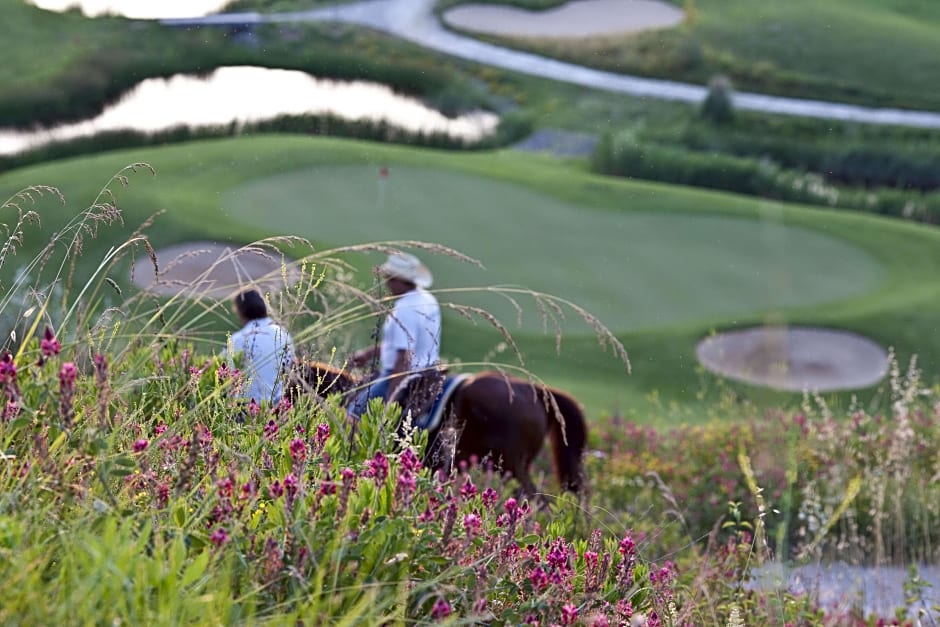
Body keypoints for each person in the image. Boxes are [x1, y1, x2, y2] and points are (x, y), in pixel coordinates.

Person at [348, 252, 442, 418]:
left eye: (389, 279)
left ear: (399, 281)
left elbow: (404, 356)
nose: (387, 284)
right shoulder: (428, 299)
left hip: (404, 376)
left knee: (352, 414)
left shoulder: (404, 310)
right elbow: (408, 342)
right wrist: (369, 354)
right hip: (429, 371)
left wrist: (391, 399)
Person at [224, 288, 295, 405]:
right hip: (276, 407)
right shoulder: (283, 334)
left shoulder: (238, 339)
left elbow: (224, 373)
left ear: (241, 312)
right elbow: (289, 369)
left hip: (244, 408)